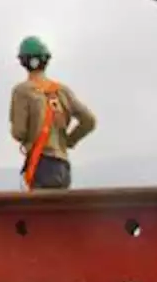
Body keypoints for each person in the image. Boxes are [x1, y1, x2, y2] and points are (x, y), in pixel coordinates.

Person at [10, 36, 97, 190]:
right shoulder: (62, 91)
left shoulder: (22, 91)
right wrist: (69, 141)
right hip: (63, 167)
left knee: (39, 214)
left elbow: (19, 132)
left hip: (41, 166)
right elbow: (89, 120)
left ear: (24, 62)